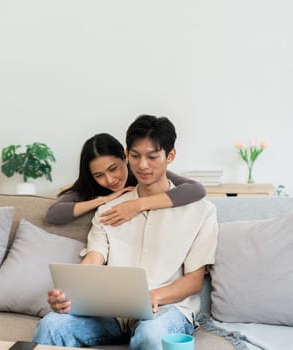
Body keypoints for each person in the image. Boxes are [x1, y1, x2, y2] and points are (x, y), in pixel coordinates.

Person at [33, 115, 218, 350]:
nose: (142, 165)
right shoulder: (108, 211)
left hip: (166, 310)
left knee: (150, 335)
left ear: (170, 156)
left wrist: (154, 296)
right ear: (126, 153)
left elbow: (193, 282)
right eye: (135, 156)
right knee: (52, 324)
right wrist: (70, 294)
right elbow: (93, 259)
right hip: (111, 315)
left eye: (152, 156)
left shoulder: (201, 212)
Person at [45, 133, 206, 226]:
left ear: (125, 156)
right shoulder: (89, 188)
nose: (109, 180)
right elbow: (53, 214)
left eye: (113, 169)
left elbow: (196, 189)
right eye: (99, 175)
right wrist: (104, 200)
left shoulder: (143, 175)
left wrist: (137, 205)